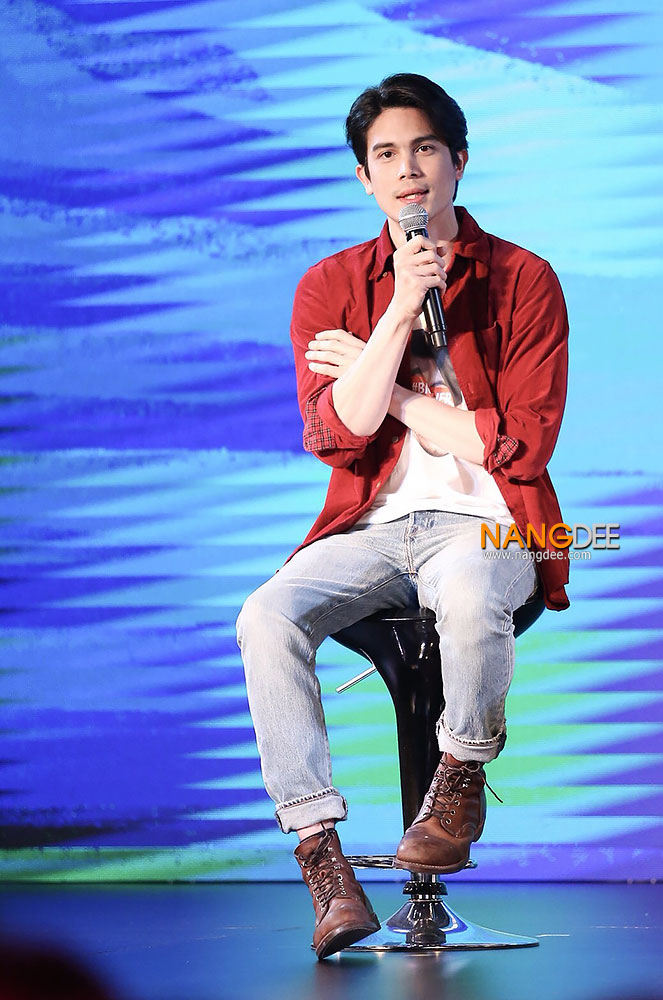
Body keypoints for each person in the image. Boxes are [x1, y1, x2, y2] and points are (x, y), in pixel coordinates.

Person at [236, 72, 569, 959]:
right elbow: (337, 435)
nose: (407, 169)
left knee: (467, 588)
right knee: (265, 615)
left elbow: (518, 447)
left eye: (424, 148)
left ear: (458, 160)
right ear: (364, 177)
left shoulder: (524, 279)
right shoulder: (331, 285)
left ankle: (458, 778)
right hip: (372, 529)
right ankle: (322, 856)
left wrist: (384, 388)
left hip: (494, 523)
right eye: (385, 154)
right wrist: (393, 316)